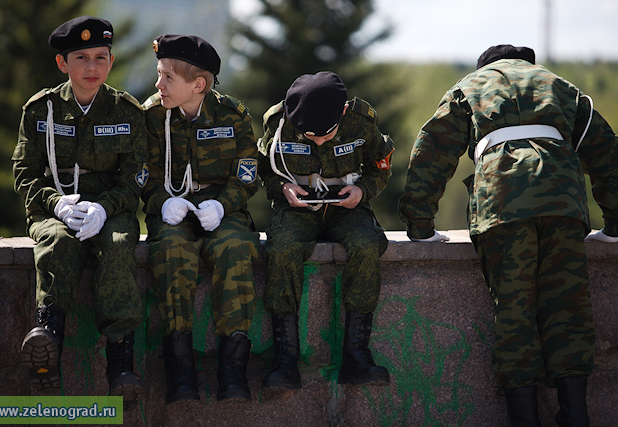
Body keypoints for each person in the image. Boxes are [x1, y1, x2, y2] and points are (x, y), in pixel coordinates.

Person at [398, 44, 618, 426]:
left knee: (515, 313)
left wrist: (420, 225)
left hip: (503, 200)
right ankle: (576, 415)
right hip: (562, 200)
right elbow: (606, 153)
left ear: (486, 66)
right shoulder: (559, 85)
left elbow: (433, 151)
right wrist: (614, 223)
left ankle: (524, 418)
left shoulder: (471, 86)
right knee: (568, 309)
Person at [13, 16, 149, 402]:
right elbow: (24, 172)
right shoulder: (41, 109)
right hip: (54, 207)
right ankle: (47, 343)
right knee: (57, 242)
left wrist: (104, 209)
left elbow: (136, 177)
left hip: (111, 208)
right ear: (63, 63)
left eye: (101, 57)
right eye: (82, 58)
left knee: (119, 245)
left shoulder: (126, 112)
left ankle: (121, 364)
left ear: (111, 61)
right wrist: (55, 204)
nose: (92, 67)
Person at [257, 71, 394, 391]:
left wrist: (363, 191)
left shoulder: (361, 121)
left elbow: (381, 164)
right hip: (297, 209)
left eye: (327, 133)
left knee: (366, 244)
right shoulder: (278, 122)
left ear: (342, 112)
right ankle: (285, 358)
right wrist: (283, 189)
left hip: (347, 207)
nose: (318, 141)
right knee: (282, 247)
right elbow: (264, 168)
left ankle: (357, 354)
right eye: (309, 135)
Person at [141, 34, 259, 404]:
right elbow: (140, 174)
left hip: (221, 207)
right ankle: (180, 370)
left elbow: (247, 173)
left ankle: (233, 369)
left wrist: (223, 205)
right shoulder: (151, 116)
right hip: (172, 206)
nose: (158, 85)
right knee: (170, 249)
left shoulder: (232, 115)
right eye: (158, 75)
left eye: (167, 77)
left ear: (198, 85)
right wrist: (162, 202)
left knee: (236, 247)